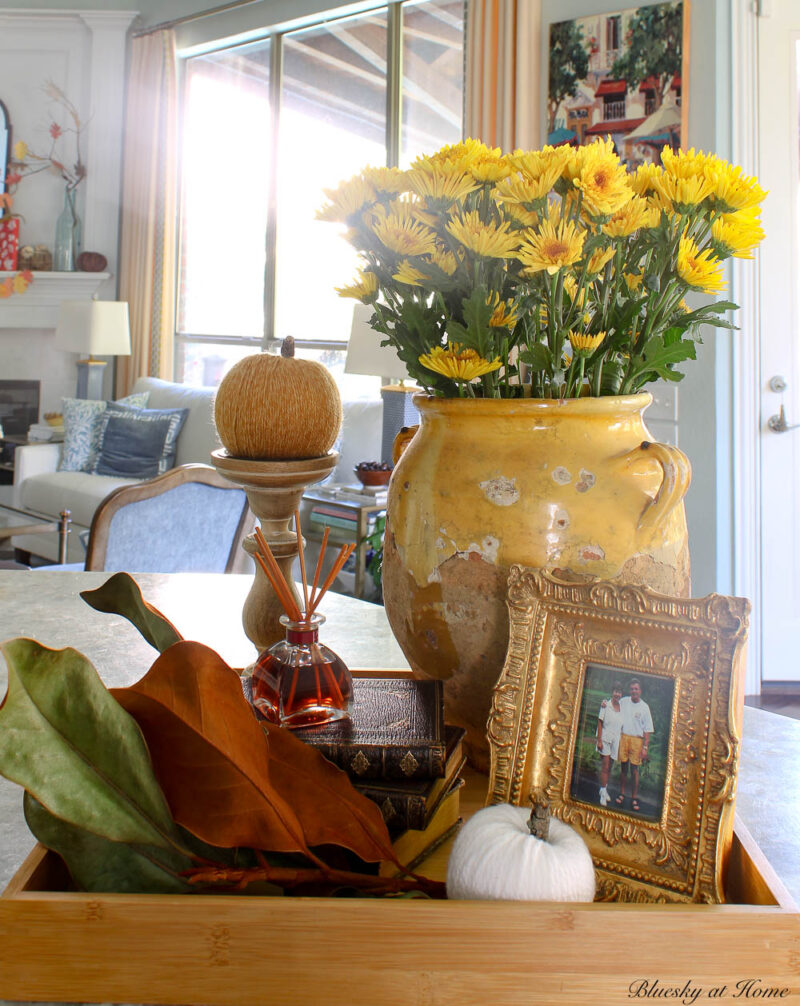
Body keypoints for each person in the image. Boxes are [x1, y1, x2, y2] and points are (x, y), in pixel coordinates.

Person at [615, 678, 654, 813]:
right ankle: (622, 793)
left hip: (637, 741)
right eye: (632, 689)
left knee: (635, 771)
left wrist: (645, 748)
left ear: (640, 691)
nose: (634, 691)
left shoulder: (645, 707)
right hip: (624, 738)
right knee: (623, 768)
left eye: (636, 689)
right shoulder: (624, 701)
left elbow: (647, 729)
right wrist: (604, 704)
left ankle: (634, 798)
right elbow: (613, 705)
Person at [596, 682, 624, 807]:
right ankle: (602, 793)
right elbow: (600, 722)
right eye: (615, 691)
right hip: (605, 739)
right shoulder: (605, 705)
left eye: (619, 692)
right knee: (605, 766)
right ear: (612, 692)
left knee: (610, 767)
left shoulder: (622, 707)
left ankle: (603, 789)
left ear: (621, 694)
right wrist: (599, 740)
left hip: (615, 740)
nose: (617, 694)